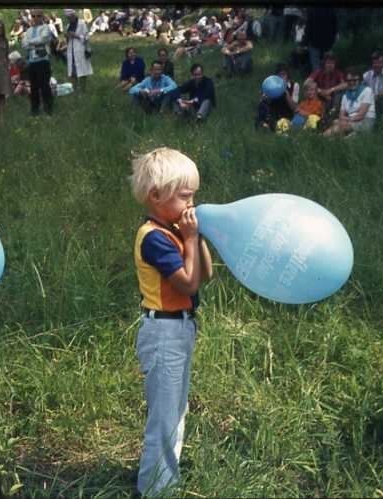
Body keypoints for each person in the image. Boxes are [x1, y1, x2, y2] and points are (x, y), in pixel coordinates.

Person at [129, 146, 213, 497]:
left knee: (177, 409)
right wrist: (190, 239)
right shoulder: (155, 238)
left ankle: (166, 480)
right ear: (156, 196)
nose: (191, 204)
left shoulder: (176, 229)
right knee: (163, 418)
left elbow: (206, 275)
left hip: (180, 328)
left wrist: (198, 236)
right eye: (184, 196)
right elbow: (188, 283)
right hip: (163, 330)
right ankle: (153, 489)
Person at [322, 67, 376, 138]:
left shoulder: (367, 91)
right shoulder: (345, 95)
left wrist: (347, 120)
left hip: (365, 121)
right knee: (336, 122)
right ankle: (340, 137)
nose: (352, 83)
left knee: (340, 125)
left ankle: (322, 137)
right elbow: (341, 115)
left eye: (355, 80)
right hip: (351, 121)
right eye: (349, 80)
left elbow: (361, 115)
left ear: (360, 80)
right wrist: (346, 120)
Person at [23, 9, 56, 116]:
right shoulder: (28, 30)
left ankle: (49, 109)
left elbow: (43, 39)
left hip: (43, 61)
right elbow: (24, 44)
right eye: (33, 16)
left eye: (38, 16)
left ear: (42, 17)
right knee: (34, 87)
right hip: (32, 62)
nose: (35, 18)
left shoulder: (46, 28)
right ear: (31, 17)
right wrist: (34, 43)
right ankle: (35, 110)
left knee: (44, 85)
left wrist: (30, 42)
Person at [304, 51, 346, 121]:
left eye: (332, 63)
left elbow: (345, 84)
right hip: (320, 96)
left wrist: (331, 90)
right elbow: (306, 83)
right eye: (328, 63)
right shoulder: (318, 72)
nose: (330, 65)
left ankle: (332, 114)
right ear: (324, 64)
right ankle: (313, 114)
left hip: (333, 97)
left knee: (339, 94)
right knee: (310, 91)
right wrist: (320, 91)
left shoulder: (337, 73)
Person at [255, 64, 299, 130]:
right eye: (279, 75)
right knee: (262, 104)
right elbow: (266, 102)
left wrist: (285, 91)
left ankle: (271, 124)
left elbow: (294, 108)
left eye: (284, 74)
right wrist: (264, 98)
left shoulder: (294, 85)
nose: (281, 77)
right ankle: (262, 122)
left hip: (287, 112)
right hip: (274, 111)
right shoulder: (272, 85)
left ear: (287, 75)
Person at [64, 9, 93, 91]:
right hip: (71, 51)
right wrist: (67, 36)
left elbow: (87, 37)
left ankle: (83, 89)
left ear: (73, 15)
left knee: (83, 71)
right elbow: (68, 40)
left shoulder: (81, 23)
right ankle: (75, 90)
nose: (69, 19)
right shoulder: (68, 25)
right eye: (67, 18)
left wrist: (76, 36)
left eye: (69, 17)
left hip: (81, 50)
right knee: (73, 72)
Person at [362, 51, 383, 118]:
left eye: (379, 63)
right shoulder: (367, 74)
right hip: (370, 100)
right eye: (375, 63)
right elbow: (359, 86)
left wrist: (378, 96)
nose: (377, 65)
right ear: (372, 64)